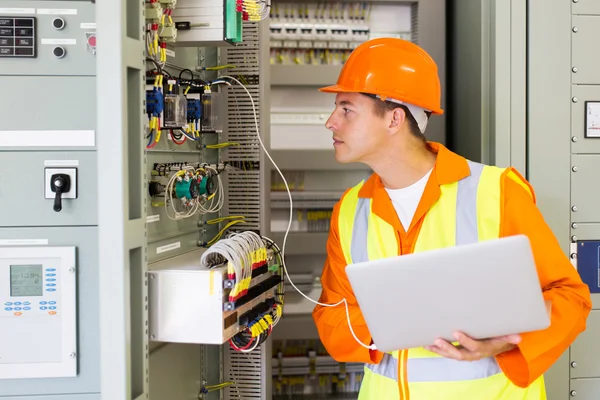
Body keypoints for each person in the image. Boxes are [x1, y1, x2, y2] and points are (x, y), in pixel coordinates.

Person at [311, 37, 592, 399]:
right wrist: (401, 320)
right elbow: (333, 318)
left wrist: (504, 345)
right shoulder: (350, 209)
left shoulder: (496, 192)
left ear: (395, 117)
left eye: (346, 109)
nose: (331, 122)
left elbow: (569, 298)